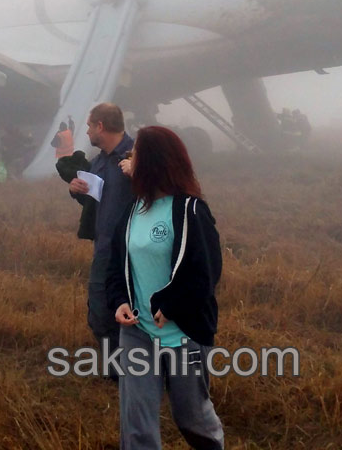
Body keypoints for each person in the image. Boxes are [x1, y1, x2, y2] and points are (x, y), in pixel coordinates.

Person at [106, 126, 224, 449]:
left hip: (183, 334)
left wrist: (169, 305)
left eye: (136, 154)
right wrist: (118, 300)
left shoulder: (191, 211)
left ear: (153, 161)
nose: (130, 159)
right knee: (137, 425)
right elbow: (117, 267)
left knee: (192, 419)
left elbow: (206, 273)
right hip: (137, 332)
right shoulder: (132, 212)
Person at [68, 103, 134, 355]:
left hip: (132, 252)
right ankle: (119, 369)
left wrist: (139, 172)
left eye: (89, 126)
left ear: (101, 126)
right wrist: (76, 190)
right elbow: (94, 202)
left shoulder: (137, 156)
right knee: (99, 314)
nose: (86, 133)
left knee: (131, 313)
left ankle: (134, 370)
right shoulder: (99, 162)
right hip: (104, 249)